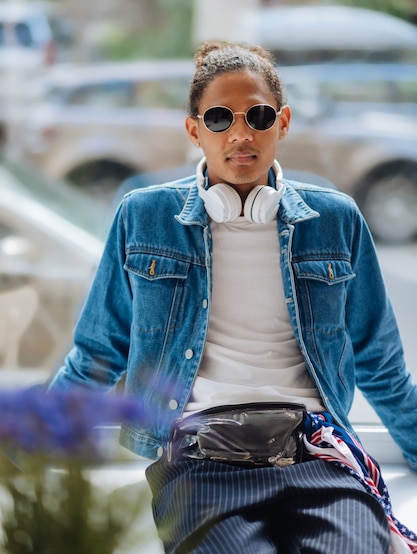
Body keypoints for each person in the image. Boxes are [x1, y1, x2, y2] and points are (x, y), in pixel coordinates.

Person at [49, 41, 417, 554]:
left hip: (320, 457)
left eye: (258, 116)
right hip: (200, 467)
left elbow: (381, 366)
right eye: (220, 118)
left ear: (282, 123)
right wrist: (24, 451)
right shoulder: (143, 217)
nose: (241, 134)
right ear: (194, 129)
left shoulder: (337, 221)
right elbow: (98, 353)